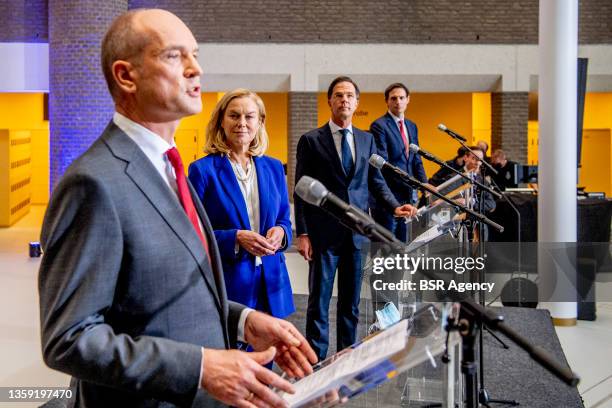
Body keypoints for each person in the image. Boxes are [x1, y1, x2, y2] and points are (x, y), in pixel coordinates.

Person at [38, 9, 316, 408]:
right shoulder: (94, 183)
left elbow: (170, 294)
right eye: (174, 56)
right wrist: (200, 367)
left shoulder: (171, 169)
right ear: (126, 75)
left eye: (196, 55)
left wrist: (241, 320)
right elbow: (69, 339)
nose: (195, 69)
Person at [294, 76, 417, 360]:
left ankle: (347, 358)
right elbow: (300, 189)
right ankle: (316, 360)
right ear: (330, 101)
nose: (344, 100)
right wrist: (303, 233)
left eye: (350, 95)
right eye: (338, 95)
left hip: (357, 233)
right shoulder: (311, 140)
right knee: (319, 303)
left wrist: (395, 205)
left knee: (351, 304)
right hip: (323, 234)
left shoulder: (367, 139)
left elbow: (376, 181)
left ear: (357, 102)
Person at [188, 89, 294, 337]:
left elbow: (283, 219)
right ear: (221, 121)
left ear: (260, 122)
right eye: (234, 116)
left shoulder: (274, 167)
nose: (242, 123)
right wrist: (235, 237)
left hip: (271, 282)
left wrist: (281, 233)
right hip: (228, 281)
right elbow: (190, 231)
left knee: (267, 362)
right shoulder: (202, 171)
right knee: (235, 365)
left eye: (249, 116)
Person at [369, 83, 428, 242]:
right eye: (393, 98)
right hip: (388, 196)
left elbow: (416, 159)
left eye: (402, 98)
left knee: (404, 243)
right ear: (387, 101)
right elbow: (383, 163)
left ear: (408, 99)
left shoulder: (411, 126)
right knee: (385, 246)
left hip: (408, 196)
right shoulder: (379, 125)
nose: (398, 101)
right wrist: (410, 181)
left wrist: (425, 185)